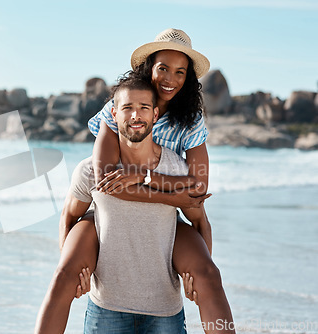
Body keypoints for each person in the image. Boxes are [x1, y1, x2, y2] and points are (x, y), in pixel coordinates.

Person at [35, 28, 235, 334]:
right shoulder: (120, 106)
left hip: (165, 194)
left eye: (180, 72)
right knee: (63, 273)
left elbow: (198, 189)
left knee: (208, 275)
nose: (170, 78)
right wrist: (172, 197)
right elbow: (106, 181)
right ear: (149, 68)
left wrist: (146, 178)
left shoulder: (191, 118)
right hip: (125, 203)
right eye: (163, 69)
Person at [48, 75, 196, 332]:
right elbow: (68, 217)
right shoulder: (89, 170)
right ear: (113, 114)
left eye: (143, 108)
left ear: (156, 114)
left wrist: (194, 279)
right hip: (106, 308)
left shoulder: (176, 169)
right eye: (127, 108)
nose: (136, 116)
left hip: (164, 311)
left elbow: (201, 221)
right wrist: (73, 273)